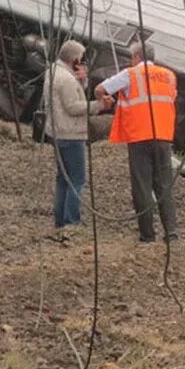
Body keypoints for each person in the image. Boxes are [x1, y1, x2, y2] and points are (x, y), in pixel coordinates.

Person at [95, 41, 178, 244]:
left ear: (136, 57)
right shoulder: (169, 76)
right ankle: (172, 233)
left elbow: (100, 89)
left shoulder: (130, 74)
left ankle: (147, 235)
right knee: (164, 186)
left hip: (140, 136)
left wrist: (106, 100)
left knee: (142, 187)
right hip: (163, 136)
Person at [42, 40, 107, 240]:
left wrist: (83, 81)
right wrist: (98, 105)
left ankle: (60, 222)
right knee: (76, 180)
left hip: (56, 132)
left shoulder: (53, 72)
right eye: (82, 58)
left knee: (63, 179)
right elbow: (73, 106)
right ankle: (72, 222)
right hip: (71, 134)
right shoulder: (67, 80)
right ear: (75, 59)